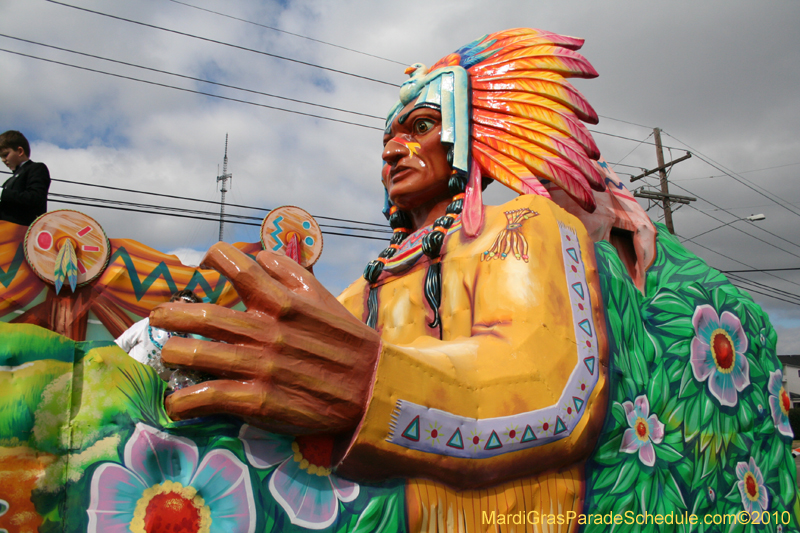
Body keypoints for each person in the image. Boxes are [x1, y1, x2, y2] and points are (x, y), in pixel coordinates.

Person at [150, 28, 612, 527]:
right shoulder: (369, 281)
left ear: (471, 134)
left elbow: (558, 392)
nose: (393, 152)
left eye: (421, 127)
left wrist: (374, 382)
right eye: (388, 139)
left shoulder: (524, 226)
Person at [116, 289, 200, 380]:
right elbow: (118, 347)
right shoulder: (149, 325)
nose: (178, 313)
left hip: (153, 392)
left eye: (185, 311)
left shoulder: (190, 345)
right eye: (175, 308)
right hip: (125, 382)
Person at [0, 130, 50, 226]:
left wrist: (2, 193)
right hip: (6, 233)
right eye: (1, 157)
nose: (3, 160)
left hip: (25, 231)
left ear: (20, 151)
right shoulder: (8, 182)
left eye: (5, 155)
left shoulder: (36, 168)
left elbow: (36, 198)